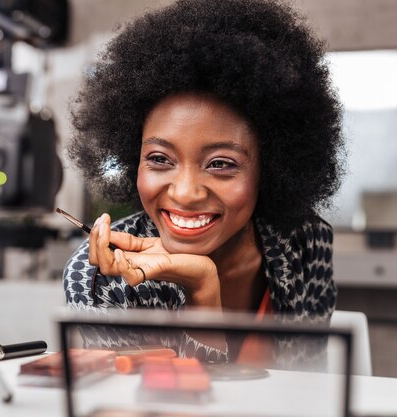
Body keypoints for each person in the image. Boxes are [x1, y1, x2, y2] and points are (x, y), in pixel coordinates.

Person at [62, 0, 344, 365]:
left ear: (271, 168)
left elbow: (310, 390)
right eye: (160, 159)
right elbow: (153, 406)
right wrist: (202, 290)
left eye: (221, 164)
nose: (184, 192)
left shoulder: (306, 243)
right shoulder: (100, 278)